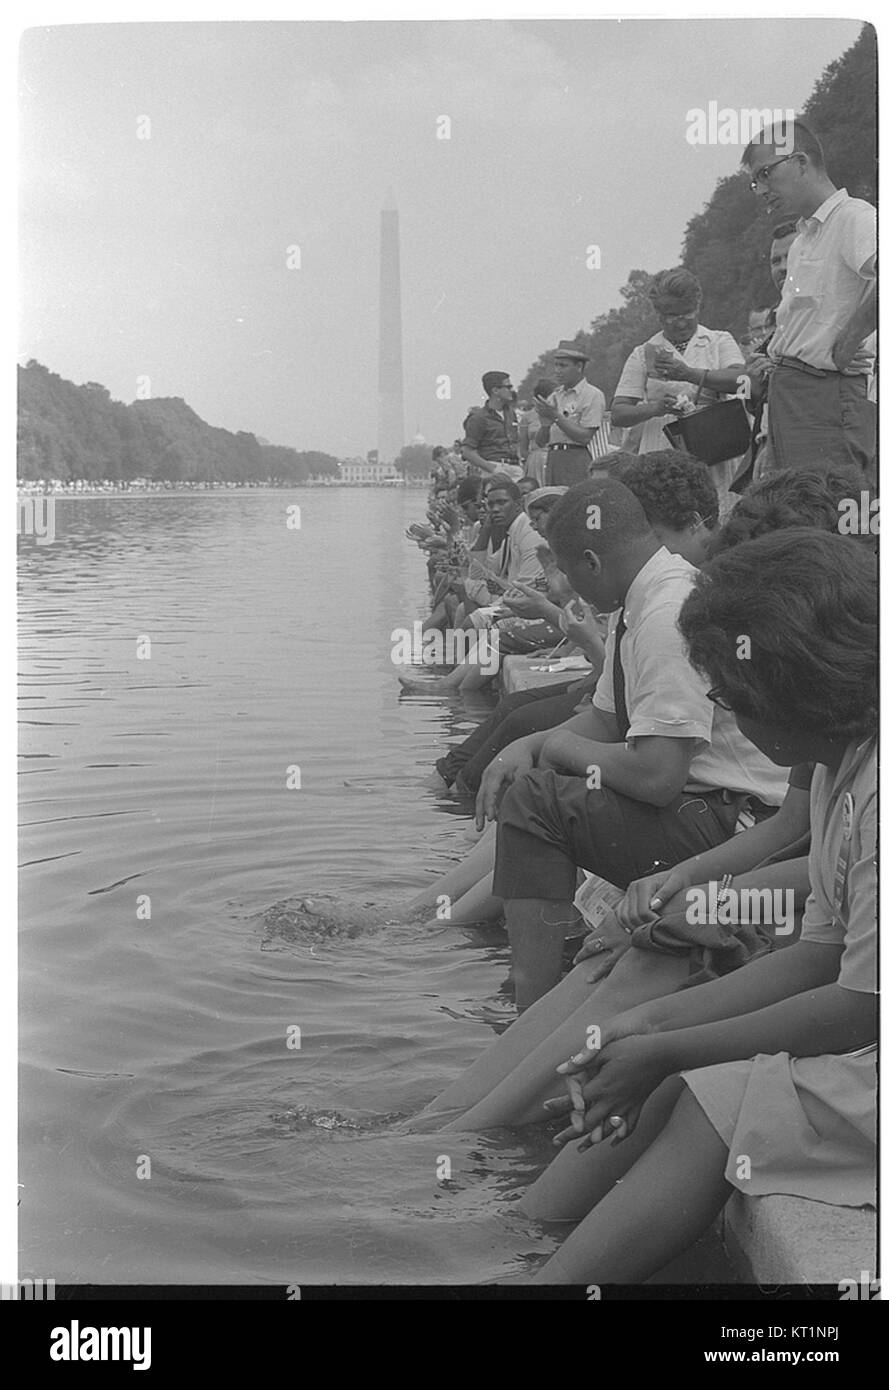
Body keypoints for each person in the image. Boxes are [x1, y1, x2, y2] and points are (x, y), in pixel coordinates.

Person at [521, 530, 876, 1285]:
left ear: (788, 692)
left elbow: (859, 1006)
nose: (726, 713)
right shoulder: (847, 759)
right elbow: (819, 952)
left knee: (706, 1098)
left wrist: (669, 1047)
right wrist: (649, 1028)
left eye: (728, 697)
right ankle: (517, 1233)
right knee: (673, 1059)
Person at [477, 477, 787, 1009]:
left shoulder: (667, 616)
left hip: (740, 819)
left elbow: (657, 776)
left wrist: (556, 751)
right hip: (705, 803)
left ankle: (531, 998)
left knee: (536, 803)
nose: (567, 586)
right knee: (530, 774)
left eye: (568, 570)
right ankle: (535, 973)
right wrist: (524, 748)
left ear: (593, 561)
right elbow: (604, 717)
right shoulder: (636, 600)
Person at [741, 119, 876, 481]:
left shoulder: (853, 218)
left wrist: (850, 339)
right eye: (756, 181)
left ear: (801, 162)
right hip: (792, 397)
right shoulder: (802, 240)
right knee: (796, 517)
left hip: (825, 396)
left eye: (766, 174)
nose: (761, 189)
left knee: (828, 516)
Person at [610, 268, 747, 509]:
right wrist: (656, 408)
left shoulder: (718, 341)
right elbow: (619, 413)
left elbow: (741, 379)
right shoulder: (644, 353)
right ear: (658, 314)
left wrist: (689, 374)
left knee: (716, 509)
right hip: (661, 447)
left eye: (687, 313)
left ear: (698, 306)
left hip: (714, 445)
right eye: (672, 315)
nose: (681, 321)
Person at [535, 343, 606, 487]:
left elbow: (585, 436)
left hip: (577, 458)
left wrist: (555, 416)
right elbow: (540, 442)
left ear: (579, 367)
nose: (557, 371)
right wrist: (544, 425)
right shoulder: (554, 396)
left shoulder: (592, 395)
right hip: (553, 458)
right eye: (556, 365)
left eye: (563, 366)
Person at [460, 373, 522, 479]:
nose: (512, 390)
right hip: (492, 468)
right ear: (495, 390)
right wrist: (492, 468)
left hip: (514, 467)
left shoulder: (511, 414)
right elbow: (467, 451)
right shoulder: (479, 418)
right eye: (508, 387)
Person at [519, 379, 557, 486]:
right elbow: (523, 447)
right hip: (536, 459)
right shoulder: (527, 417)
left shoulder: (559, 413)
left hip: (555, 456)